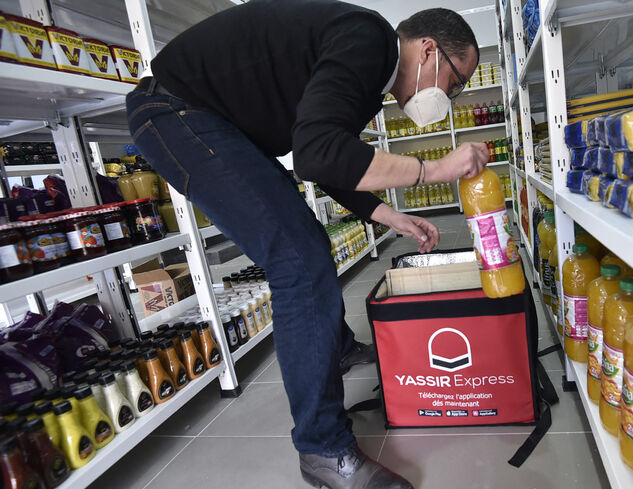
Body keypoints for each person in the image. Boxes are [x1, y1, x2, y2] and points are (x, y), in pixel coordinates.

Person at [126, 1, 488, 488]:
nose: (453, 94)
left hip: (208, 117)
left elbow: (321, 158)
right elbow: (320, 152)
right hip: (178, 112)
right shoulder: (369, 40)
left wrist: (386, 214)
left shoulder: (369, 71)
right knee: (300, 261)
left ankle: (334, 347)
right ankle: (323, 449)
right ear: (428, 49)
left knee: (306, 245)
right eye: (457, 80)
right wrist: (435, 169)